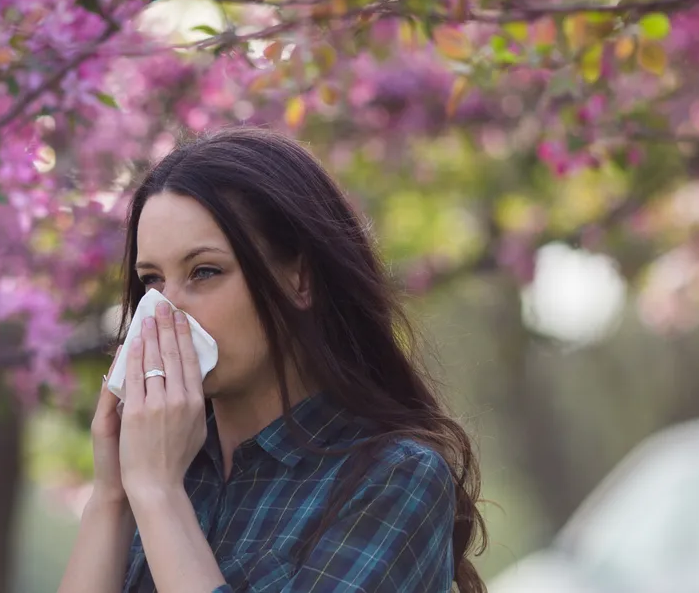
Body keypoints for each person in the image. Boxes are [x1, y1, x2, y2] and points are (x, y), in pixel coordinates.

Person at [57, 127, 486, 593]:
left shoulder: (392, 479)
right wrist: (112, 495)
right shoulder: (154, 471)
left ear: (299, 279)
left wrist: (160, 497)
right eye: (152, 281)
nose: (166, 310)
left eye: (204, 272)